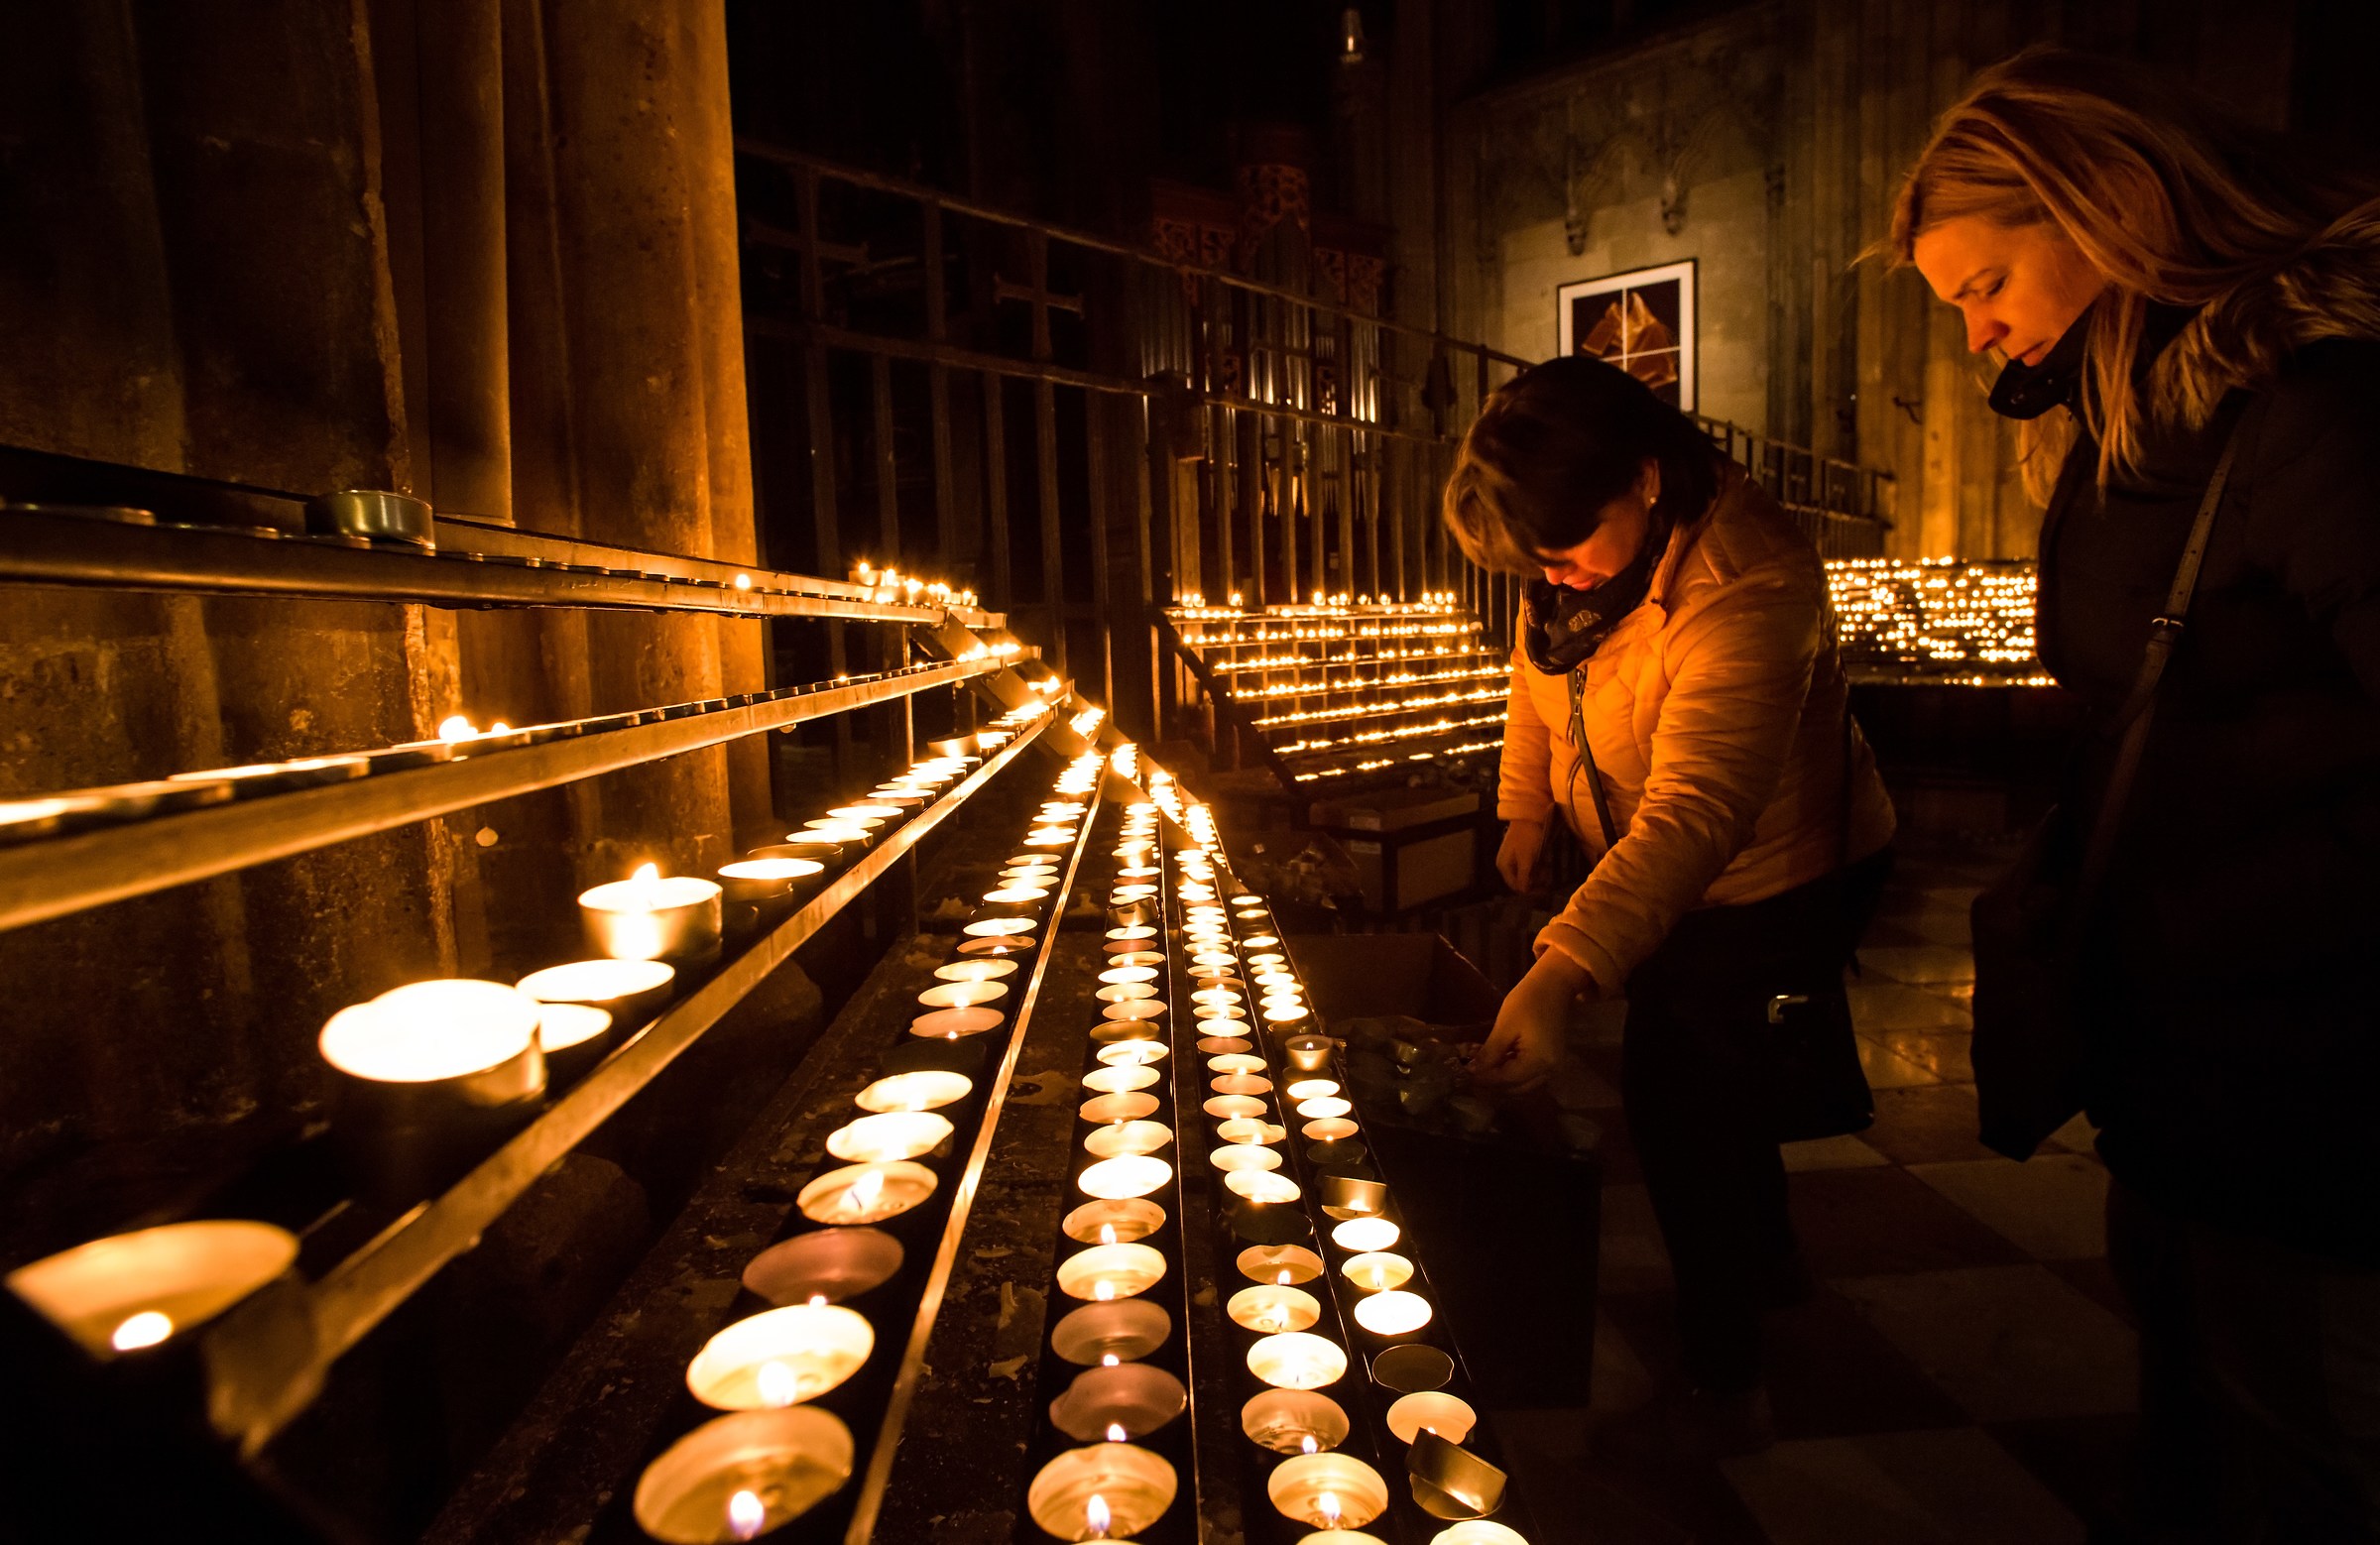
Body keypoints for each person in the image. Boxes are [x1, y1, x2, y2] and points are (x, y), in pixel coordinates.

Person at [1892, 46, 2380, 1543]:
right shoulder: (2132, 422)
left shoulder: (2322, 415)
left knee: (2291, 1428)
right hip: (2183, 1021)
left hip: (2308, 1041)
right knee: (2197, 1389)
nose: (1979, 331)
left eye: (1985, 283)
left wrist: (2248, 909)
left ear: (2099, 208)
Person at [1446, 356, 1897, 1452]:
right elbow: (1537, 680)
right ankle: (1774, 1256)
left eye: (1560, 553)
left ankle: (1724, 1374)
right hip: (1662, 861)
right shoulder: (1576, 565)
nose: (1548, 582)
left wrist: (1560, 968)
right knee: (1721, 1074)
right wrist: (1525, 809)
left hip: (1777, 866)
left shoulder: (1749, 577)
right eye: (1532, 565)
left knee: (1679, 1095)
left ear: (1645, 480)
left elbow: (1699, 810)